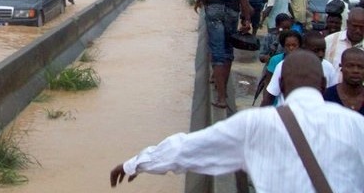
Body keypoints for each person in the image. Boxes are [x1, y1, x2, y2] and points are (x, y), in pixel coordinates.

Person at [109, 50, 364, 191]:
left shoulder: (255, 124)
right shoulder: (356, 125)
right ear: (323, 84)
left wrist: (136, 163)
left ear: (282, 85)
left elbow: (188, 149)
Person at [261, 31, 338, 106]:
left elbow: (333, 96)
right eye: (316, 51)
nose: (321, 54)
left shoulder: (329, 68)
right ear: (304, 48)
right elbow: (269, 96)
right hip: (287, 115)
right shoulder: (284, 66)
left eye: (323, 50)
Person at [324, 6, 364, 75]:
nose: (358, 30)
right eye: (355, 26)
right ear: (347, 23)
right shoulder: (329, 41)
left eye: (361, 27)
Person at [324, 47, 364, 114]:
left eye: (360, 67)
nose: (355, 71)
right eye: (350, 66)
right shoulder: (326, 96)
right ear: (341, 67)